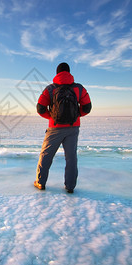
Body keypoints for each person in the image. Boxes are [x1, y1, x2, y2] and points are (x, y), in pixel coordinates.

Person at [34, 62, 92, 193]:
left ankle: (40, 182)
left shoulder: (50, 89)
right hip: (73, 128)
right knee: (71, 158)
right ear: (69, 72)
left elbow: (40, 108)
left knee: (46, 155)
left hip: (54, 128)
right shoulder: (79, 88)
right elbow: (87, 107)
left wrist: (52, 117)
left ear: (57, 73)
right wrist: (76, 116)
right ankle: (70, 187)